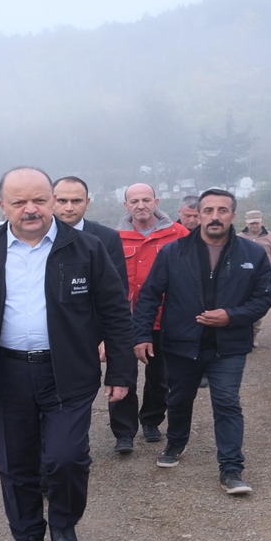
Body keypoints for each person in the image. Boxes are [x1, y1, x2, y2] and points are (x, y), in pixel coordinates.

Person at [0, 166, 134, 541]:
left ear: (51, 199)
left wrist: (121, 372)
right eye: (19, 202)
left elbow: (116, 313)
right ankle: (27, 537)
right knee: (16, 462)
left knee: (65, 458)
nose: (31, 209)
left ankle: (63, 527)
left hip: (69, 373)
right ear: (2, 206)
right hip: (6, 374)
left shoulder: (86, 248)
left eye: (39, 200)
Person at [133, 189, 271, 494]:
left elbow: (263, 299)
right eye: (208, 210)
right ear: (199, 215)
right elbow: (148, 296)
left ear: (232, 216)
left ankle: (232, 469)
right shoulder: (174, 252)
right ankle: (176, 442)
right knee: (179, 399)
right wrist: (143, 334)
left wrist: (231, 316)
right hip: (181, 344)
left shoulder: (252, 255)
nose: (214, 216)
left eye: (222, 210)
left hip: (229, 345)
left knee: (227, 403)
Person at [113, 183, 189, 453]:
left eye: (146, 200)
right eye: (134, 201)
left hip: (163, 319)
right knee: (123, 375)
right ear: (126, 206)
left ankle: (151, 421)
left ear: (156, 201)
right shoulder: (114, 238)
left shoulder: (178, 234)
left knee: (160, 377)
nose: (140, 205)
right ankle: (124, 432)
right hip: (123, 319)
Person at [51, 176, 129, 291]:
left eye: (76, 201)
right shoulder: (38, 237)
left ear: (87, 203)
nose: (69, 208)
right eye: (62, 201)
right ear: (51, 202)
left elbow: (117, 291)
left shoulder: (108, 239)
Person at [236, 210, 271, 348]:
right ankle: (242, 335)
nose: (254, 225)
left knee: (257, 306)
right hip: (242, 278)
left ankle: (254, 335)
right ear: (246, 223)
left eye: (257, 222)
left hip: (263, 277)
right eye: (251, 223)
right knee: (240, 306)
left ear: (262, 221)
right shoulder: (239, 238)